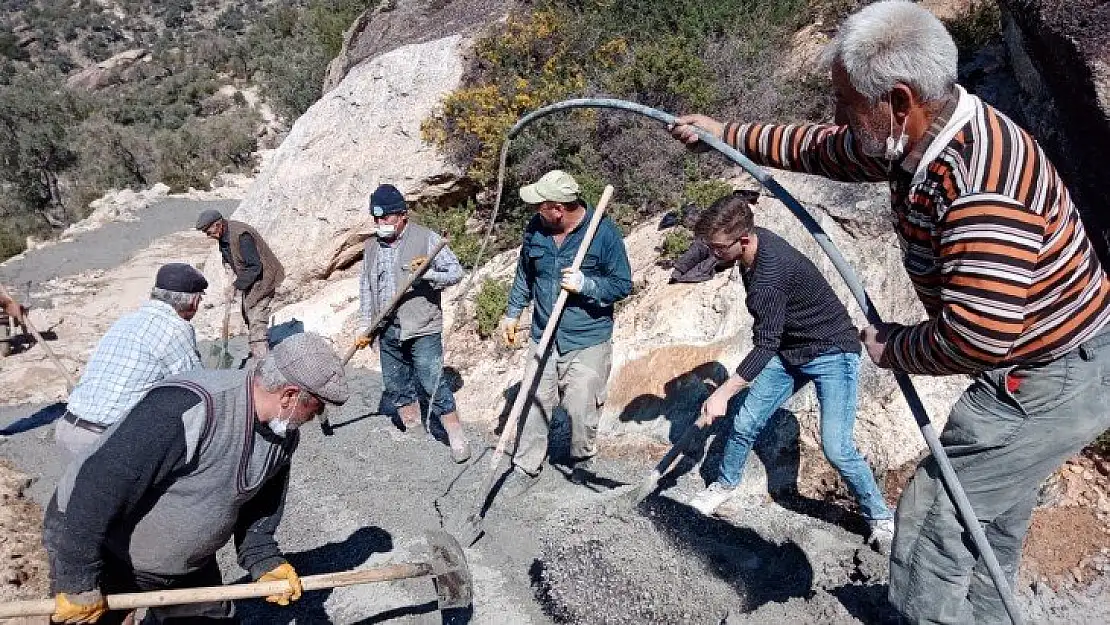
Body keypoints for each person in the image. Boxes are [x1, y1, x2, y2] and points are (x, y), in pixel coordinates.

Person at [670, 1, 1110, 622]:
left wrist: (891, 345)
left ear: (900, 100)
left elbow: (979, 336)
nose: (838, 113)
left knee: (936, 515)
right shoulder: (924, 131)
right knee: (985, 517)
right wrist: (730, 137)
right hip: (1048, 362)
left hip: (1049, 376)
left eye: (847, 101)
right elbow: (829, 149)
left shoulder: (982, 186)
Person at [44, 331, 349, 625]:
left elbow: (261, 508)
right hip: (97, 542)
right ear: (290, 396)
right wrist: (77, 576)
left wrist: (264, 559)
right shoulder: (189, 407)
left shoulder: (283, 436)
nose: (314, 417)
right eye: (316, 407)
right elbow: (99, 485)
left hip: (179, 566)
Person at [686, 193, 894, 553]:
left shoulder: (769, 275)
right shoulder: (753, 239)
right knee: (744, 422)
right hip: (791, 349)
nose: (715, 254)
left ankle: (879, 516)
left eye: (719, 248)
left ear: (744, 240)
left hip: (832, 351)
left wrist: (722, 392)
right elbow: (773, 339)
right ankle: (725, 485)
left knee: (837, 447)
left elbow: (764, 344)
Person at [498, 170, 632, 494]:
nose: (534, 213)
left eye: (539, 207)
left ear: (557, 208)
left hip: (587, 338)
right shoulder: (537, 230)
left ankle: (582, 460)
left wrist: (588, 284)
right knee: (534, 399)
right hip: (544, 333)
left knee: (580, 403)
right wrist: (513, 313)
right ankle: (526, 465)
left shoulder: (603, 235)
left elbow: (623, 284)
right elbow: (524, 274)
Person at [354, 183, 470, 463]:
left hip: (422, 325)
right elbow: (366, 288)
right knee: (395, 381)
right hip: (386, 328)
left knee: (431, 379)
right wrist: (365, 327)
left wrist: (427, 274)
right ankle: (412, 426)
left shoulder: (425, 239)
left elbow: (456, 272)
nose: (381, 224)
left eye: (387, 218)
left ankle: (454, 433)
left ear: (402, 215)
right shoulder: (371, 247)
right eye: (377, 219)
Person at [58, 264, 207, 465]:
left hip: (68, 428)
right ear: (194, 301)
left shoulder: (127, 320)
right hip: (106, 440)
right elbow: (194, 389)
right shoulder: (175, 328)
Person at [196, 209, 285, 360]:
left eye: (208, 232)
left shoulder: (241, 235)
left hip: (264, 278)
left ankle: (262, 359)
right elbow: (229, 257)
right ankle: (259, 348)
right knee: (247, 313)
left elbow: (255, 266)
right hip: (250, 278)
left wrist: (236, 286)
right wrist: (230, 276)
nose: (208, 236)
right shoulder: (223, 235)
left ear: (218, 225)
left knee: (256, 316)